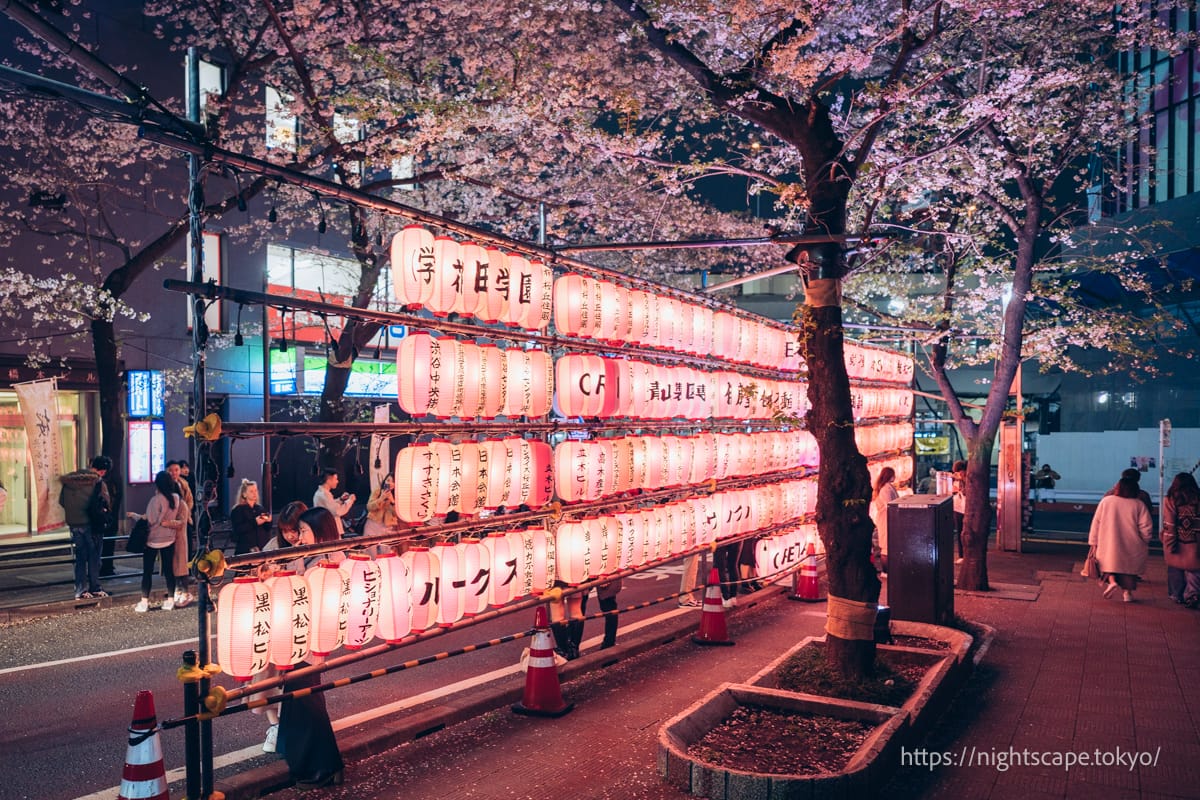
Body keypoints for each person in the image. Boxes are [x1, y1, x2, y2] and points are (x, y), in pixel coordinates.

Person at [1089, 474, 1153, 602]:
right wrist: (1145, 540)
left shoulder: (1106, 501)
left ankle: (1112, 582)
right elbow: (1146, 527)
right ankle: (1127, 594)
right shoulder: (1139, 504)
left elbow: (1096, 522)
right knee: (1128, 569)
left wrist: (1093, 541)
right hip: (1132, 543)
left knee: (1108, 564)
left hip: (1108, 542)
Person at [132, 471, 189, 612]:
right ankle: (170, 600)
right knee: (169, 570)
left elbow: (150, 520)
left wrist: (137, 517)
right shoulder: (175, 498)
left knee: (147, 571)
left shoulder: (155, 500)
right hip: (169, 539)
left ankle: (144, 601)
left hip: (153, 539)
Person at [59, 456, 112, 600]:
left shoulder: (70, 481)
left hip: (74, 524)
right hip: (92, 524)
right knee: (94, 558)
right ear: (102, 471)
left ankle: (81, 590)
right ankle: (95, 587)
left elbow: (62, 501)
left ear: (90, 464)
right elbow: (105, 503)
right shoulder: (98, 482)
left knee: (80, 558)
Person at [1161, 472, 1200, 608]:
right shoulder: (1198, 498)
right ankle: (1192, 594)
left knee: (1175, 568)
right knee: (1194, 569)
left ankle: (1176, 595)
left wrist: (1169, 543)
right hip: (1195, 542)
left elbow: (1170, 523)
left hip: (1177, 541)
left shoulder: (1171, 499)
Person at [166, 461, 195, 608]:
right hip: (172, 524)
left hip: (185, 521)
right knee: (175, 557)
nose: (174, 473)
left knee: (185, 552)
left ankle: (182, 588)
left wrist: (186, 512)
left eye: (176, 470)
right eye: (171, 470)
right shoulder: (165, 485)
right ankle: (179, 588)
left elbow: (190, 500)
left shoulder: (183, 483)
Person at [230, 479, 272, 555]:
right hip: (245, 550)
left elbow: (267, 529)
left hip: (262, 549)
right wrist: (255, 522)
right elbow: (237, 530)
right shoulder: (237, 510)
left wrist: (268, 521)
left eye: (256, 490)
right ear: (244, 494)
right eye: (251, 491)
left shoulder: (260, 508)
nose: (255, 493)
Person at [871, 466, 899, 574]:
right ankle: (885, 570)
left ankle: (887, 570)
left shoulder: (885, 487)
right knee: (886, 547)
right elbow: (890, 504)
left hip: (887, 519)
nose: (894, 477)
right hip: (886, 520)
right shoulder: (886, 489)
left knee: (887, 546)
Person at [313, 468, 355, 537]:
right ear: (329, 480)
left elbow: (330, 506)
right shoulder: (324, 494)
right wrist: (350, 500)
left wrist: (341, 500)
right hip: (330, 531)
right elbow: (337, 511)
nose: (337, 481)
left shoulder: (323, 494)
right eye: (336, 479)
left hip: (329, 530)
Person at [951, 460, 966, 564]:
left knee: (966, 532)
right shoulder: (956, 480)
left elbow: (966, 492)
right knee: (959, 531)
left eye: (960, 472)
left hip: (966, 508)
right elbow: (953, 491)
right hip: (957, 507)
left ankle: (965, 555)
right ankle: (961, 555)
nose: (958, 474)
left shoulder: (968, 479)